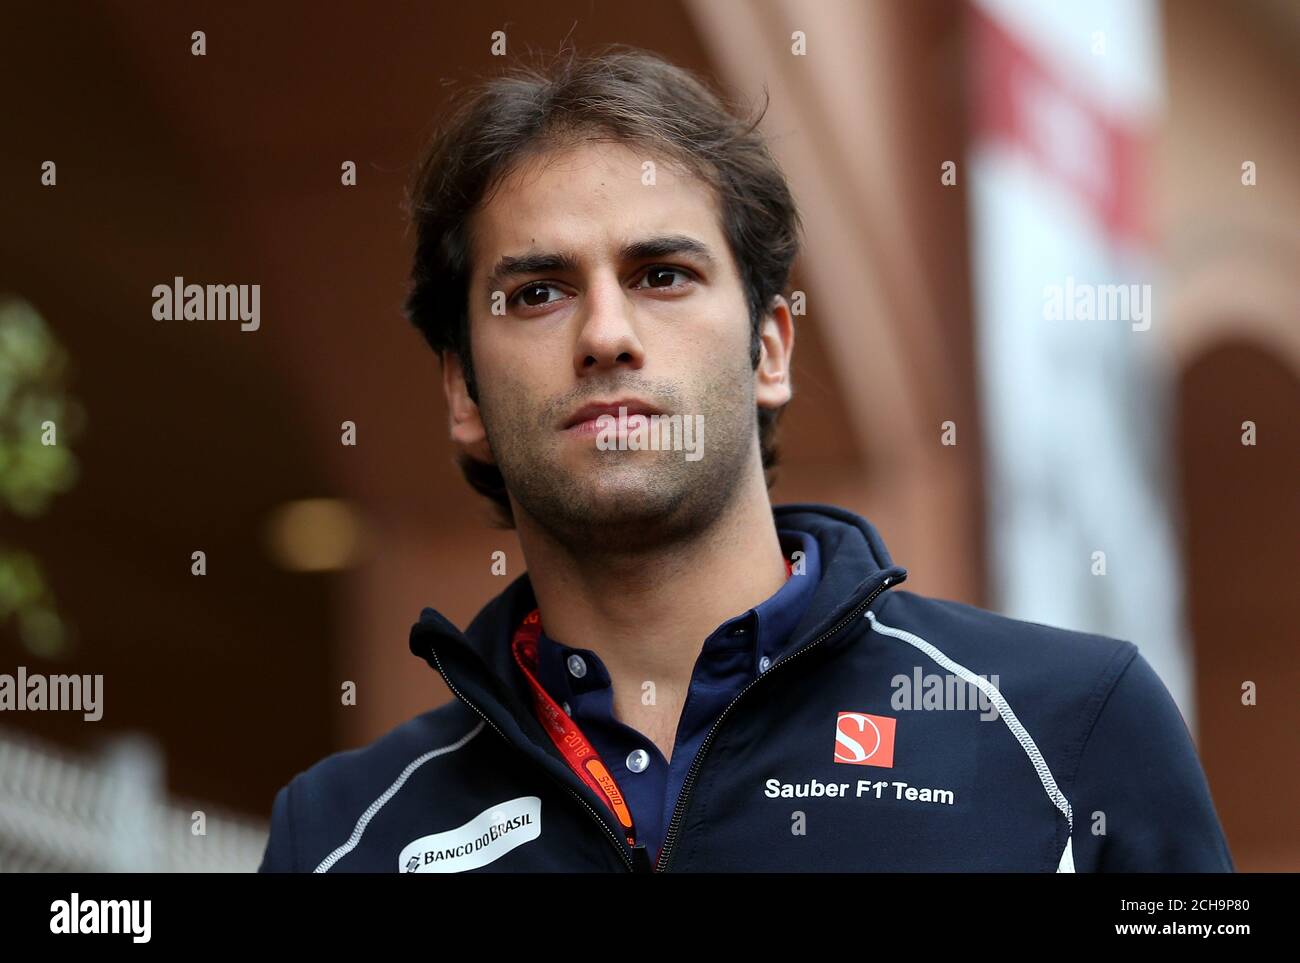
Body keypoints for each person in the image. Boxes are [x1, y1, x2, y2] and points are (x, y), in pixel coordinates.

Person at [258, 46, 1233, 873]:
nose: (606, 335)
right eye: (538, 292)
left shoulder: (1073, 729)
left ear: (769, 350)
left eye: (662, 275)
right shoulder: (342, 835)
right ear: (463, 394)